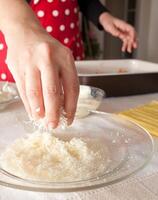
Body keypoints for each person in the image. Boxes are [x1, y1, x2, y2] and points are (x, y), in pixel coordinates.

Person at [0, 0, 137, 128]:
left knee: (68, 104)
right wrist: (23, 27)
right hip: (23, 52)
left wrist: (103, 16)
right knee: (24, 107)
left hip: (69, 50)